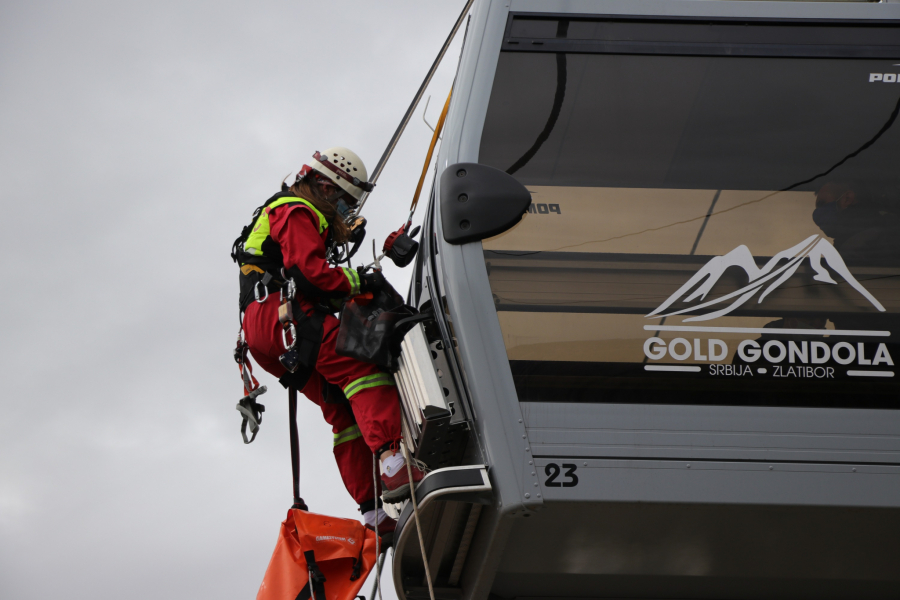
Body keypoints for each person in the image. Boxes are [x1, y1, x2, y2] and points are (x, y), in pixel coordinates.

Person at [234, 147, 425, 539]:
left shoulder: (287, 214)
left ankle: (374, 514)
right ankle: (393, 463)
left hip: (264, 329)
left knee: (339, 405)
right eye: (342, 198)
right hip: (284, 315)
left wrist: (368, 275)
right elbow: (312, 275)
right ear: (324, 185)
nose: (343, 208)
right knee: (363, 366)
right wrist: (362, 281)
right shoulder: (296, 211)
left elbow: (313, 280)